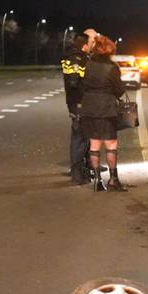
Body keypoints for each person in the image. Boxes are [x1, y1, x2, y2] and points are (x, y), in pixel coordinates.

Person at [78, 34, 128, 192]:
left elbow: (82, 85)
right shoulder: (112, 68)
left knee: (94, 144)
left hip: (89, 107)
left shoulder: (88, 64)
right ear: (109, 51)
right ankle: (113, 179)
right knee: (111, 144)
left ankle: (98, 181)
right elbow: (119, 90)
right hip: (106, 109)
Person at [60, 33, 91, 184]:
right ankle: (77, 173)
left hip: (74, 102)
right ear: (84, 44)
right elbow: (74, 82)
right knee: (79, 137)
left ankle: (80, 170)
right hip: (79, 102)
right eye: (90, 43)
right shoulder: (78, 58)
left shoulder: (70, 56)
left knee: (81, 136)